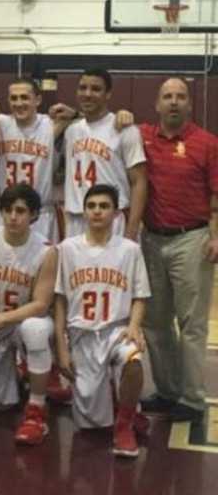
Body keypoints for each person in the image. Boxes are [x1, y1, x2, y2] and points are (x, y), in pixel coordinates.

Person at [139, 77, 218, 422]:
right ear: (157, 105)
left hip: (192, 239)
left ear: (189, 104)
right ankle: (167, 390)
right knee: (155, 322)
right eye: (167, 96)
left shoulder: (207, 143)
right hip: (152, 239)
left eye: (180, 97)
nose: (173, 102)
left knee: (191, 324)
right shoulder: (141, 138)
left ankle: (192, 397)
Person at [54, 184, 151, 458]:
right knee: (91, 426)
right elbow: (59, 300)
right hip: (81, 334)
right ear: (84, 211)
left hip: (116, 330)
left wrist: (134, 326)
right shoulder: (67, 249)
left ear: (116, 213)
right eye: (92, 206)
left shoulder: (130, 249)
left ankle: (125, 424)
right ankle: (119, 401)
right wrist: (61, 347)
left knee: (133, 359)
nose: (97, 211)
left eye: (104, 206)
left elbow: (141, 296)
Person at [0, 183, 57, 445]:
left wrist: (0, 318)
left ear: (34, 215)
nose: (13, 217)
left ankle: (36, 411)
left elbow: (41, 304)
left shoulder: (46, 250)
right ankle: (18, 374)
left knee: (35, 330)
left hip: (19, 325)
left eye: (20, 211)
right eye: (7, 210)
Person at [61, 69, 147, 240]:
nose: (88, 94)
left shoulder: (125, 129)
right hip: (76, 219)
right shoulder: (71, 131)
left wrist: (132, 230)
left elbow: (139, 182)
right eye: (83, 88)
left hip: (113, 220)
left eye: (95, 89)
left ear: (108, 94)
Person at [0, 78, 69, 241]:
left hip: (41, 215)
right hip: (8, 213)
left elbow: (89, 120)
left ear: (38, 100)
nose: (19, 103)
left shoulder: (52, 125)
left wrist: (74, 114)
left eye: (24, 97)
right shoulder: (0, 123)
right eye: (14, 98)